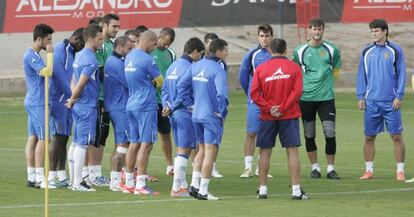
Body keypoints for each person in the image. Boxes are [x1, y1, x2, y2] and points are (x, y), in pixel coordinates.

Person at [251, 38, 308, 200]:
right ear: (285, 50)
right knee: (292, 151)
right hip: (289, 115)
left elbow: (254, 93)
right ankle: (296, 191)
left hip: (268, 116)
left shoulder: (261, 69)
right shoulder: (294, 68)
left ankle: (262, 189)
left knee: (265, 152)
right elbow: (297, 92)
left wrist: (270, 108)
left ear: (270, 50)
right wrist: (283, 108)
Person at [356, 19, 407, 181]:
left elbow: (401, 74)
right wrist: (360, 96)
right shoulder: (366, 52)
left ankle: (400, 171)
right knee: (369, 137)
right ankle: (368, 171)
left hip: (390, 102)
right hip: (371, 102)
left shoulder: (395, 50)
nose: (374, 34)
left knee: (396, 136)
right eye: (372, 31)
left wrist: (399, 95)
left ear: (385, 31)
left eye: (376, 31)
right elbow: (361, 76)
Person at [179, 38, 229, 200]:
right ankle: (204, 191)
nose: (227, 53)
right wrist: (222, 112)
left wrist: (190, 105)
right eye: (226, 50)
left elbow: (181, 86)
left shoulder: (195, 66)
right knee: (210, 152)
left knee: (201, 149)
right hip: (211, 116)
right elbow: (221, 94)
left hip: (196, 115)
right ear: (219, 51)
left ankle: (194, 185)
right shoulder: (218, 69)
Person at [292, 18, 342, 180]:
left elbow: (336, 70)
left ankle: (330, 168)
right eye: (314, 29)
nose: (317, 32)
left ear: (323, 30)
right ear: (309, 30)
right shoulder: (299, 51)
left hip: (326, 98)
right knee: (309, 134)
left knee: (329, 132)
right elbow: (295, 72)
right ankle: (315, 168)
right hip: (306, 99)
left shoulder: (332, 49)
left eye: (319, 29)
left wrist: (327, 83)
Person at [161, 37, 205, 197]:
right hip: (184, 113)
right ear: (195, 52)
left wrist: (166, 105)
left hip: (172, 114)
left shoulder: (173, 66)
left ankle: (183, 184)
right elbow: (183, 92)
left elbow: (165, 89)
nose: (200, 58)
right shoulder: (189, 68)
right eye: (200, 54)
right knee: (184, 150)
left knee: (181, 147)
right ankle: (177, 188)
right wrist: (173, 106)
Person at [123, 30, 163, 195]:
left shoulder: (129, 57)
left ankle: (129, 184)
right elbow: (160, 81)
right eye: (154, 44)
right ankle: (140, 185)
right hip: (145, 105)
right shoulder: (148, 59)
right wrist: (152, 83)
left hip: (131, 103)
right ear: (148, 40)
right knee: (146, 144)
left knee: (134, 143)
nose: (154, 48)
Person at [66, 24, 104, 192]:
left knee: (75, 142)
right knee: (82, 143)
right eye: (100, 39)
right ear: (90, 39)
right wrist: (74, 97)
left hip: (79, 104)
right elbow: (81, 83)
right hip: (87, 105)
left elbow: (72, 80)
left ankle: (74, 180)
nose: (102, 42)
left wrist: (73, 98)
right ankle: (77, 182)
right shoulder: (90, 59)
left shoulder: (79, 56)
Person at [48, 28, 85, 188]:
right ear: (76, 39)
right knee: (57, 137)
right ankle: (50, 176)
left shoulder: (71, 52)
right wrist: (73, 94)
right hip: (57, 99)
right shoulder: (60, 49)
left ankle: (62, 175)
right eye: (82, 44)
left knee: (64, 137)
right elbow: (58, 75)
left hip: (67, 100)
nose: (83, 48)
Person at [87, 13, 120, 187]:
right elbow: (99, 72)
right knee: (97, 136)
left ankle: (88, 173)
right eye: (114, 26)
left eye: (118, 27)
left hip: (107, 98)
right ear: (104, 26)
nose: (116, 29)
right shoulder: (100, 47)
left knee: (101, 135)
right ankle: (94, 174)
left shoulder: (109, 45)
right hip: (98, 98)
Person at [239, 24, 273, 178]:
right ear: (258, 37)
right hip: (255, 101)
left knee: (266, 134)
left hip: (271, 102)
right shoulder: (252, 54)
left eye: (267, 36)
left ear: (271, 37)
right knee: (251, 132)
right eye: (262, 36)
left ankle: (261, 168)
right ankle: (248, 168)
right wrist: (251, 95)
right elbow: (243, 77)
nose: (264, 39)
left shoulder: (276, 53)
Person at [23, 23, 54, 189]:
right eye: (48, 40)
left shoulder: (33, 55)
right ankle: (40, 177)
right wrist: (50, 55)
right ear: (39, 39)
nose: (50, 43)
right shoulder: (31, 56)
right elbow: (47, 72)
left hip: (34, 100)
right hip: (38, 102)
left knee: (34, 137)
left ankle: (32, 176)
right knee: (45, 138)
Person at [103, 36, 134, 191]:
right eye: (129, 48)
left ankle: (116, 179)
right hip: (119, 107)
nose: (131, 51)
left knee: (121, 144)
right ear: (120, 47)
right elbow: (130, 82)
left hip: (116, 106)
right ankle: (115, 182)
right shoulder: (116, 63)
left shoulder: (112, 60)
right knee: (122, 145)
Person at [151, 27, 176, 176]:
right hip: (150, 100)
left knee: (165, 134)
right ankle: (139, 170)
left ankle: (169, 165)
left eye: (168, 44)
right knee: (147, 136)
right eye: (164, 42)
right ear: (159, 37)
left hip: (165, 101)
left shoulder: (171, 54)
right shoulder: (149, 51)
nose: (165, 45)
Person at [200, 32, 224, 178]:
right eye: (208, 42)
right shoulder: (197, 61)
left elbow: (221, 88)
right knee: (201, 142)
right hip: (203, 109)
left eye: (212, 42)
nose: (210, 44)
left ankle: (211, 166)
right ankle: (200, 173)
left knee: (215, 139)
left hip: (214, 109)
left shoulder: (221, 64)